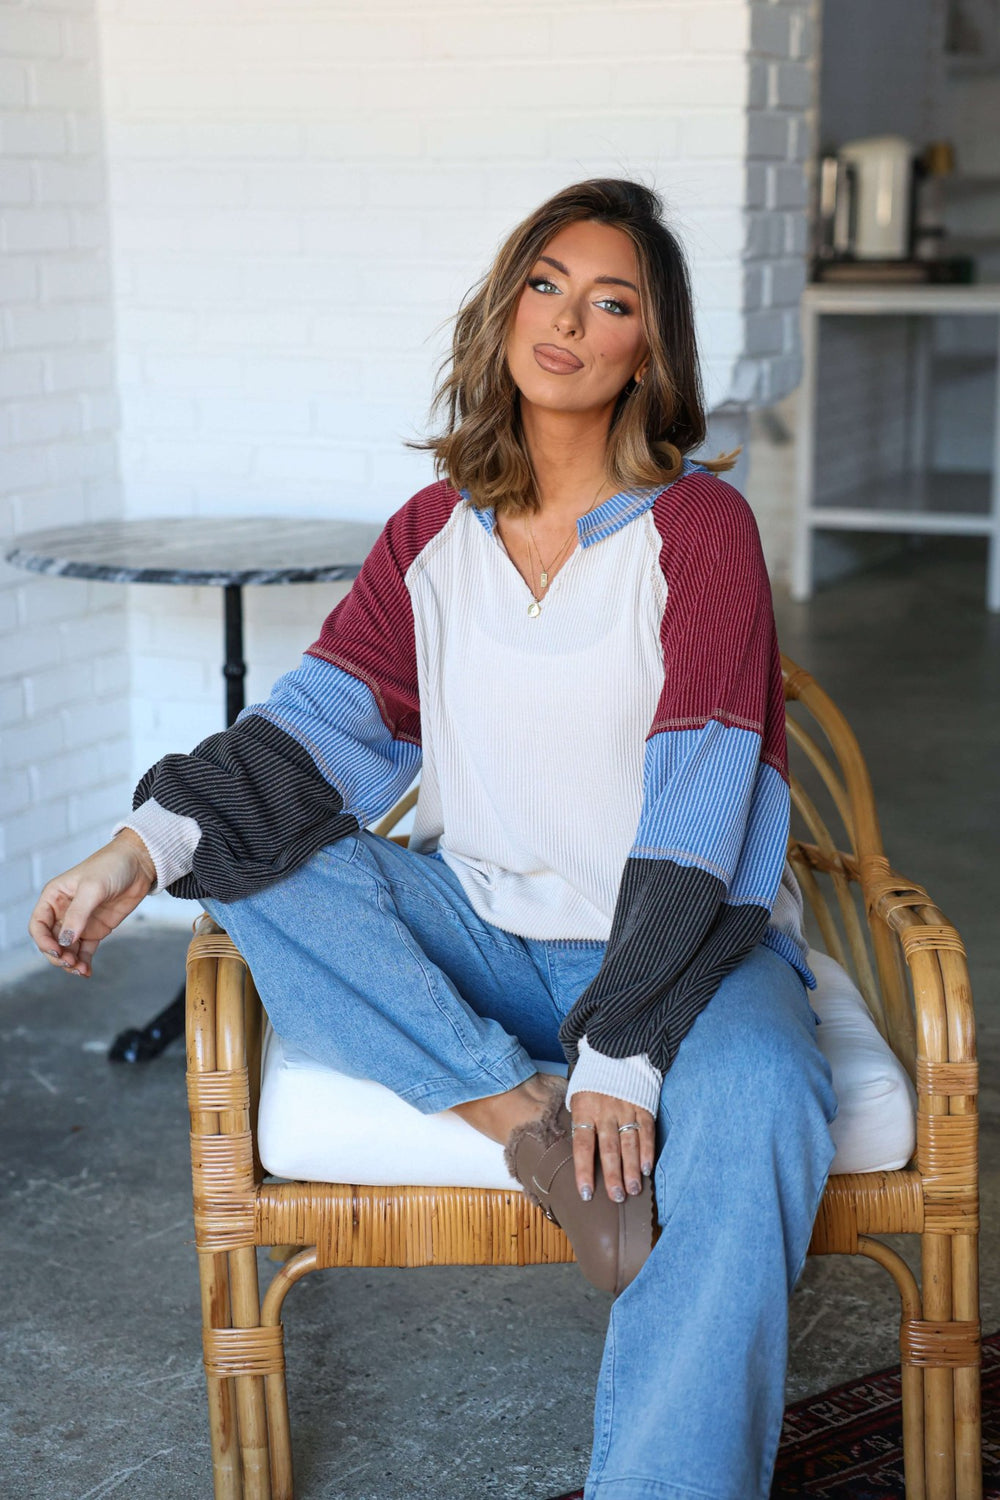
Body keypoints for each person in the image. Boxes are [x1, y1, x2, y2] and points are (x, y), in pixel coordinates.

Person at [29, 178, 838, 1500]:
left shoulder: (701, 532)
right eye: (548, 285)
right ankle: (527, 1120)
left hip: (688, 960)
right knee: (255, 861)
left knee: (759, 1106)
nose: (569, 321)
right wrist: (132, 855)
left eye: (612, 301)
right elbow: (312, 740)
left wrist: (627, 1050)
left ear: (653, 349)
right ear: (510, 304)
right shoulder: (433, 534)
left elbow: (705, 811)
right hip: (490, 941)